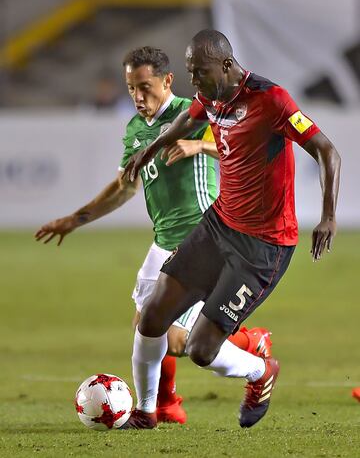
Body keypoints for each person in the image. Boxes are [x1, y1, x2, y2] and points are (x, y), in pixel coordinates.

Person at [35, 46, 273, 425]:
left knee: (178, 342)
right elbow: (124, 188)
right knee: (146, 327)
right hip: (163, 242)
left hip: (204, 239)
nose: (138, 97)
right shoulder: (134, 129)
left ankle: (252, 347)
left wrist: (199, 144)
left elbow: (245, 148)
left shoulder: (193, 113)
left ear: (167, 81)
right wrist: (74, 219)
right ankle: (157, 409)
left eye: (145, 87)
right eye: (131, 88)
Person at [122, 29, 341, 430]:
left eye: (200, 72)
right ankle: (146, 410)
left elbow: (327, 150)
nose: (195, 83)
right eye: (190, 72)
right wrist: (149, 149)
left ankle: (261, 371)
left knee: (202, 350)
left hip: (262, 247)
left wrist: (327, 215)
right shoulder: (211, 95)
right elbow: (188, 120)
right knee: (152, 316)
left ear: (225, 65)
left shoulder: (271, 100)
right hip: (218, 225)